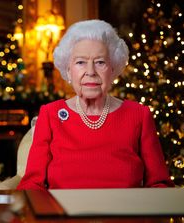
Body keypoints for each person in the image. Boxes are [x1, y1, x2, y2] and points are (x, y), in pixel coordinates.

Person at [17, 20, 174, 190]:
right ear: (68, 70)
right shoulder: (50, 114)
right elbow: (32, 185)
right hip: (64, 214)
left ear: (113, 69)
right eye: (80, 62)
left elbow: (159, 184)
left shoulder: (138, 115)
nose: (91, 72)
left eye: (100, 62)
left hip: (125, 214)